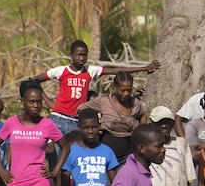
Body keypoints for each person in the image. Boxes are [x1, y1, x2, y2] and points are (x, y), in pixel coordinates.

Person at [27, 40, 159, 135]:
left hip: (77, 120)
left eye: (84, 55)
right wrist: (48, 101)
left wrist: (145, 67)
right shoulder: (61, 71)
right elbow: (34, 80)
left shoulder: (90, 71)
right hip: (59, 119)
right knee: (56, 157)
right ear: (71, 56)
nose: (82, 58)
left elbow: (117, 70)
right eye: (79, 55)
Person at [79, 71, 149, 162]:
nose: (126, 94)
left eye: (129, 90)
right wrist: (97, 124)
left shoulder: (135, 103)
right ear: (115, 88)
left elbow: (142, 115)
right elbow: (81, 109)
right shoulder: (104, 101)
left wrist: (141, 132)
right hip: (104, 153)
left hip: (126, 154)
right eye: (122, 90)